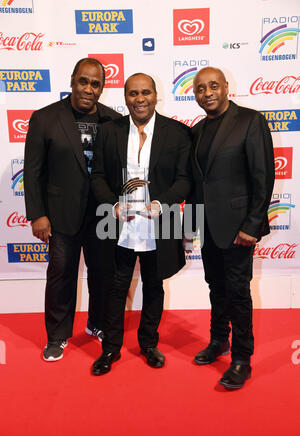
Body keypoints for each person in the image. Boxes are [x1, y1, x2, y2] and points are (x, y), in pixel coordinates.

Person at [90, 73, 192, 375]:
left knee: (154, 285)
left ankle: (149, 344)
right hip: (119, 225)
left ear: (155, 94)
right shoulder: (110, 132)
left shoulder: (177, 133)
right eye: (133, 93)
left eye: (145, 92)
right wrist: (111, 203)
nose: (140, 99)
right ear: (125, 98)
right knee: (115, 287)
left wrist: (163, 203)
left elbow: (184, 180)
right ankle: (110, 348)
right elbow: (96, 176)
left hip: (159, 223)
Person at [24, 58, 121, 361]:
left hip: (103, 215)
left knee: (103, 273)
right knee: (61, 275)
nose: (89, 89)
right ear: (72, 80)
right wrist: (38, 213)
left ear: (102, 88)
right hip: (61, 213)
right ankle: (57, 336)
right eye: (83, 81)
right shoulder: (45, 118)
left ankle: (98, 324)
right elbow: (33, 171)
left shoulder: (113, 120)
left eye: (95, 84)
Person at [184, 67, 274, 389]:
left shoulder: (250, 121)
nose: (206, 93)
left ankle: (241, 359)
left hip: (238, 228)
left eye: (212, 86)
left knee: (238, 291)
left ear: (225, 87)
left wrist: (252, 224)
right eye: (199, 88)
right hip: (208, 227)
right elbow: (198, 184)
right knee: (216, 287)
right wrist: (190, 226)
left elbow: (263, 177)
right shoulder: (196, 130)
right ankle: (219, 340)